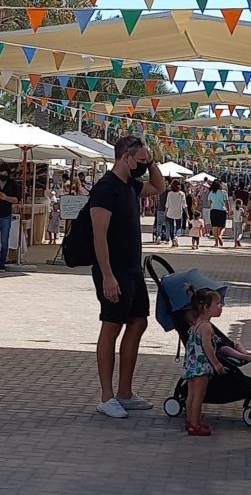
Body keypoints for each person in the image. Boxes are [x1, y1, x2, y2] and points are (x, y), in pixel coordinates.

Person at [89, 135, 166, 419]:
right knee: (111, 326)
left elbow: (159, 187)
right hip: (113, 270)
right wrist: (107, 275)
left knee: (138, 322)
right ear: (126, 157)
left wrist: (153, 161)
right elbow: (99, 235)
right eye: (141, 159)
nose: (143, 165)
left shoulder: (131, 186)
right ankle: (106, 395)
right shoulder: (105, 189)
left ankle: (125, 391)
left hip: (133, 269)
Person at [181, 288, 226, 437]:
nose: (221, 306)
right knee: (199, 396)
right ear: (206, 308)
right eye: (218, 304)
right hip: (201, 367)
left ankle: (190, 421)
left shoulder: (195, 324)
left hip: (191, 365)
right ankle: (195, 425)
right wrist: (216, 364)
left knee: (191, 395)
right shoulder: (206, 327)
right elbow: (207, 347)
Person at [207, 181, 230, 247]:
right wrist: (228, 211)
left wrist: (213, 205)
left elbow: (209, 203)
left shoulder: (211, 193)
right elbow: (226, 203)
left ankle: (216, 242)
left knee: (214, 226)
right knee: (222, 226)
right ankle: (220, 235)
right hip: (222, 210)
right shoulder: (224, 192)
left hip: (213, 210)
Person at [164, 180, 187, 248]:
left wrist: (165, 213)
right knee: (178, 227)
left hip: (170, 212)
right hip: (178, 212)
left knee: (171, 227)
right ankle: (176, 236)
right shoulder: (182, 194)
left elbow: (167, 205)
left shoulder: (169, 193)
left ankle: (173, 241)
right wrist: (187, 214)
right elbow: (184, 205)